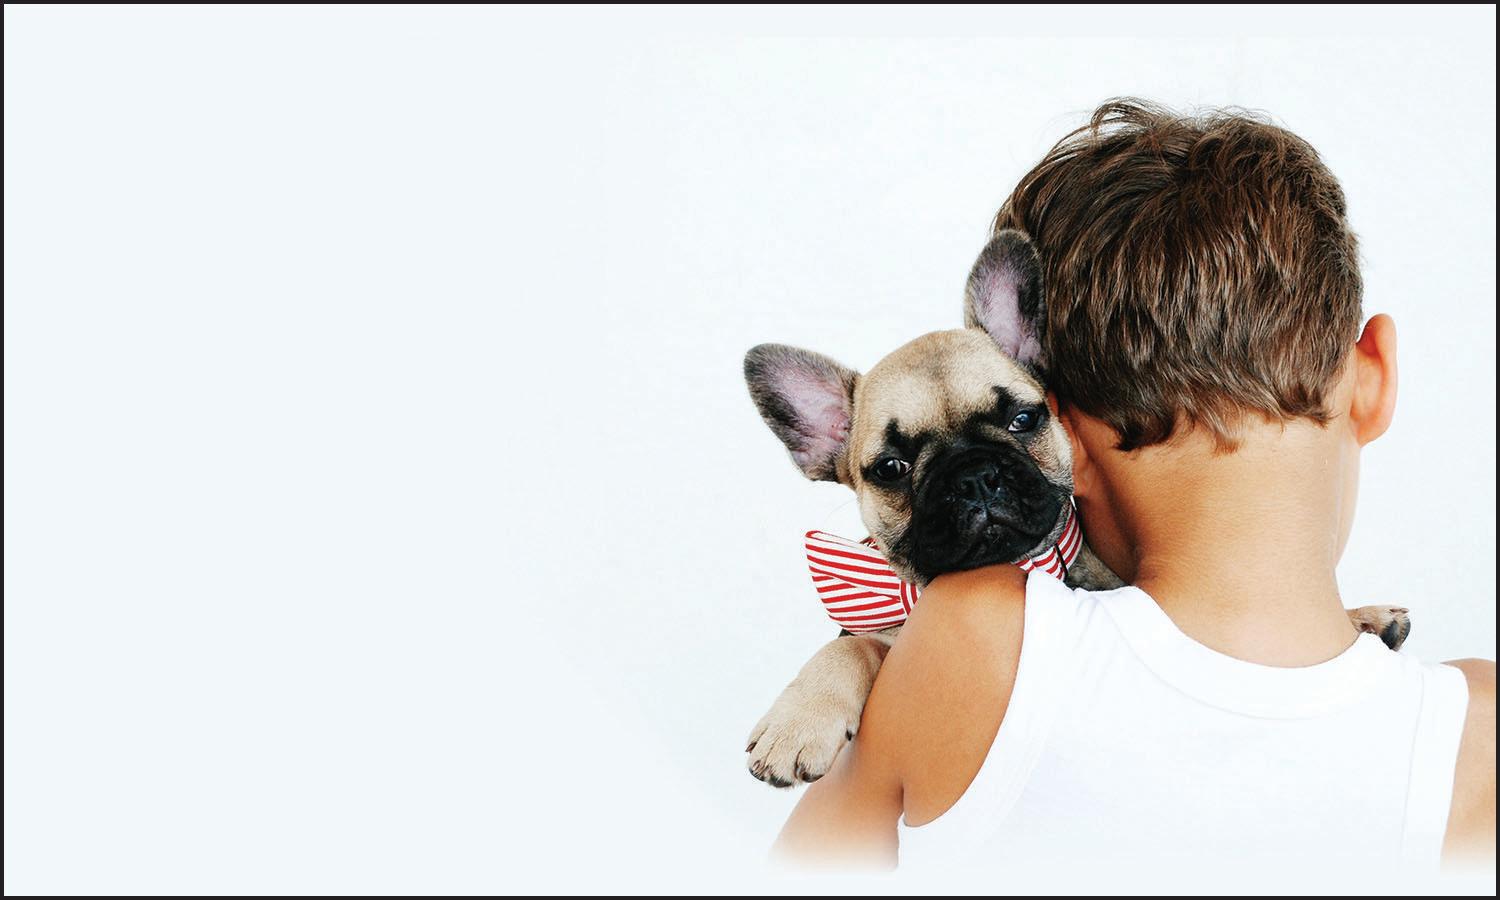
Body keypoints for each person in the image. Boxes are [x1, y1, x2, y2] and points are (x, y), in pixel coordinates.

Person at [771, 101, 1496, 883]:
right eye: (894, 469)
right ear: (1375, 378)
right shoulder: (1481, 730)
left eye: (1015, 422)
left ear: (1065, 431)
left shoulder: (973, 633)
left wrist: (873, 659)